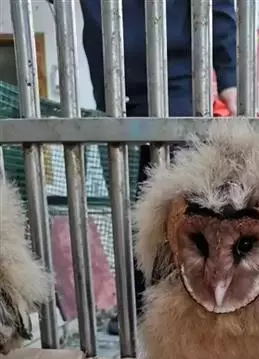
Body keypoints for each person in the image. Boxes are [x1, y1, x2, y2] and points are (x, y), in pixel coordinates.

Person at [52, 0, 237, 334]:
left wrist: (230, 77)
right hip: (112, 85)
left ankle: (176, 309)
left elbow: (218, 6)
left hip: (176, 79)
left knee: (175, 209)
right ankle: (139, 307)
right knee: (128, 210)